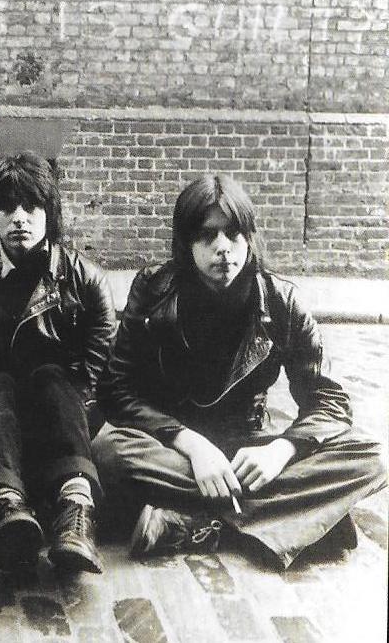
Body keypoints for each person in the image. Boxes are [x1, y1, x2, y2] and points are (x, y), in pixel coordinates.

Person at [93, 174, 387, 569]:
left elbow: (329, 399)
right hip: (174, 450)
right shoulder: (154, 289)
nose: (222, 248)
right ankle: (296, 518)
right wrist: (191, 444)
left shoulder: (281, 301)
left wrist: (281, 451)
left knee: (371, 456)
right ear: (186, 243)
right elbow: (116, 389)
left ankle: (203, 525)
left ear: (249, 237)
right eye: (206, 235)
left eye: (233, 234)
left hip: (249, 449)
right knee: (108, 451)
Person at [0, 152, 117, 573]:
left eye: (32, 206)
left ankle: (76, 512)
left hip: (61, 422)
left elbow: (95, 374)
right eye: (7, 207)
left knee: (53, 377)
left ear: (50, 213)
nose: (19, 218)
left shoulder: (86, 280)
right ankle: (8, 511)